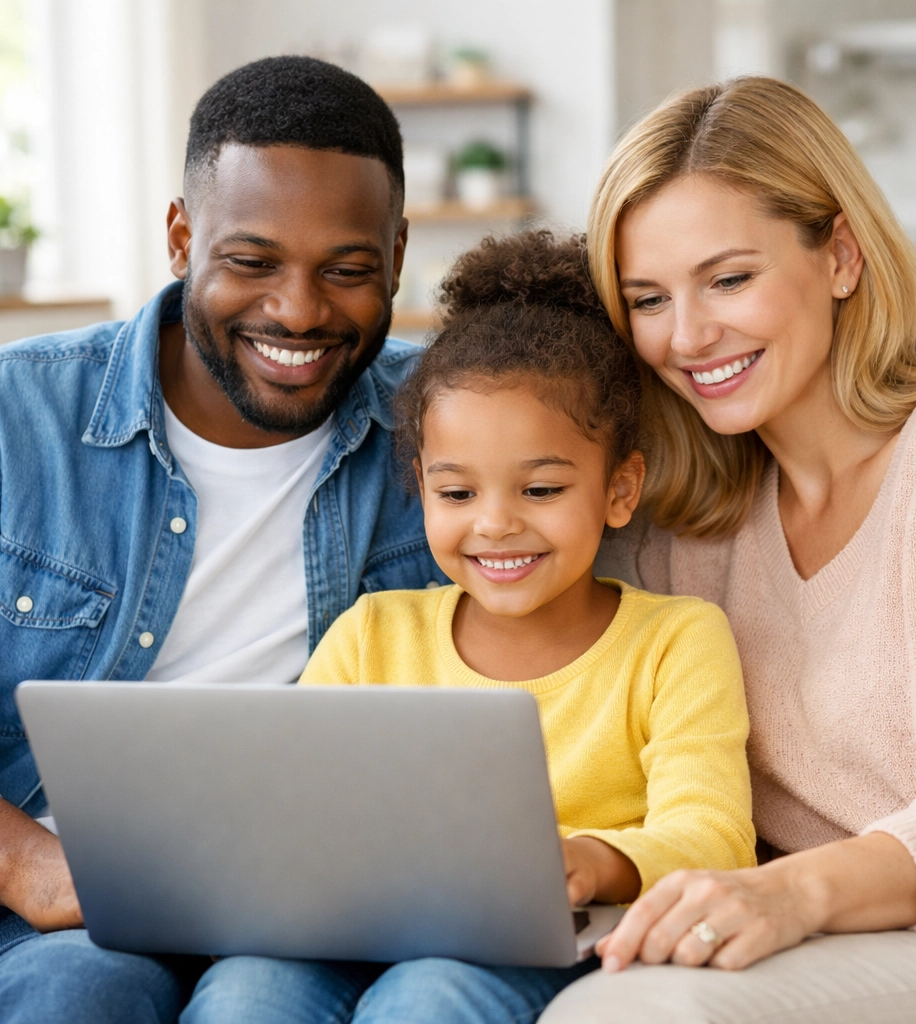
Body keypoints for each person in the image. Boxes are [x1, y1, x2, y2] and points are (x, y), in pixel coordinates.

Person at [180, 231, 756, 1024]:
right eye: (457, 495)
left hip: (537, 943)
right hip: (357, 928)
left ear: (621, 491)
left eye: (542, 490)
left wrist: (592, 861)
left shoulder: (676, 641)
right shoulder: (373, 632)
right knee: (246, 992)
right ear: (419, 489)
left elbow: (714, 834)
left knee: (429, 998)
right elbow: (295, 808)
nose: (496, 526)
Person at [0, 56, 445, 1023]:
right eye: (252, 261)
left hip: (337, 906)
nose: (299, 311)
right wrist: (32, 870)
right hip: (73, 908)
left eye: (349, 270)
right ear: (182, 238)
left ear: (398, 256)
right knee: (74, 996)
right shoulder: (8, 419)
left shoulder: (452, 424)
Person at [539, 77, 916, 1023]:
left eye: (729, 279)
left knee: (621, 1015)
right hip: (788, 920)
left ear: (840, 254)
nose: (688, 335)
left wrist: (788, 894)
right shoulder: (685, 512)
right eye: (648, 299)